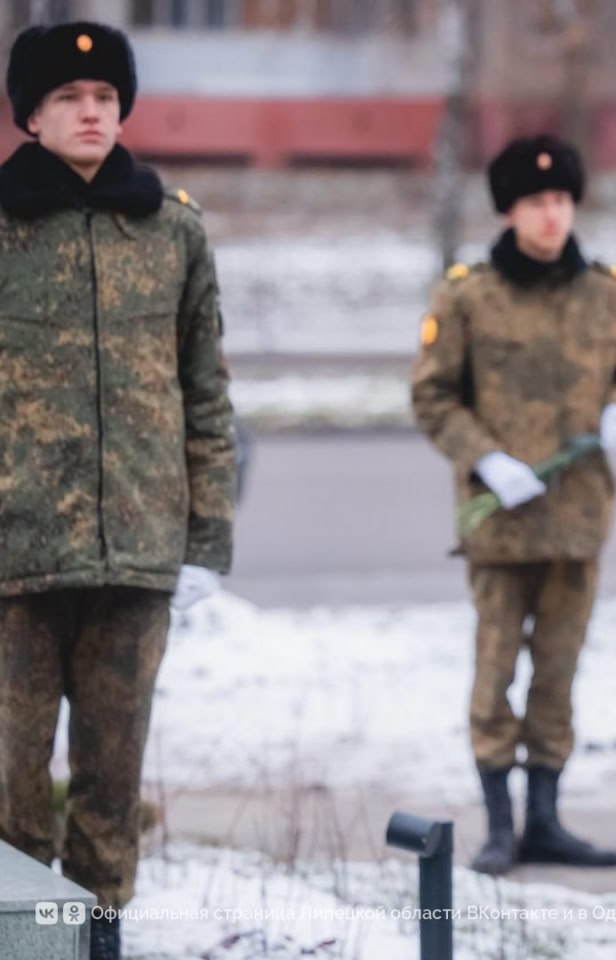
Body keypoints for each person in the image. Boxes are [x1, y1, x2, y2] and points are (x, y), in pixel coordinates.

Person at [0, 21, 234, 960]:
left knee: (109, 784)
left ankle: (96, 946)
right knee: (12, 785)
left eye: (103, 98)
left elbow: (206, 395)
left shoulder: (171, 230)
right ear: (31, 115)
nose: (90, 112)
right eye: (68, 98)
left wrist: (205, 544)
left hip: (136, 555)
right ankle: (24, 944)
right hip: (14, 559)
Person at [411, 133, 616, 875]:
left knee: (558, 671)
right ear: (509, 211)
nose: (551, 215)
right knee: (494, 671)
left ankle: (545, 819)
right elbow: (433, 395)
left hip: (578, 518)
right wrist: (487, 459)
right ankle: (499, 825)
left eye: (561, 200)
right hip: (501, 521)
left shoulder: (608, 290)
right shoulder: (468, 295)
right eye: (535, 202)